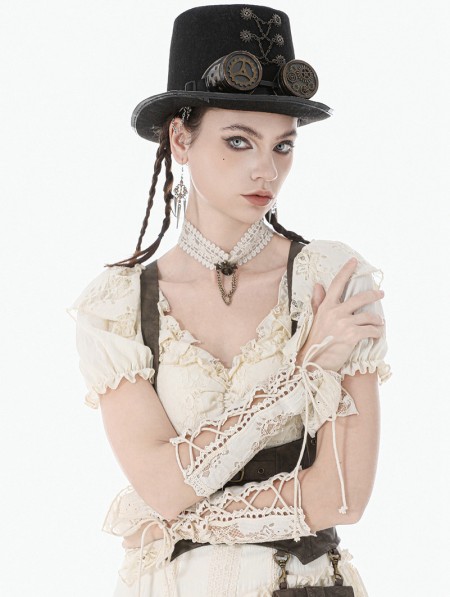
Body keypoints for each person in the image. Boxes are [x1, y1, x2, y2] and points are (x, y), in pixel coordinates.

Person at [67, 4, 392, 596]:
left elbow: (342, 498)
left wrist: (179, 525)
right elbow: (161, 487)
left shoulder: (330, 279)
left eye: (283, 146)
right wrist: (302, 375)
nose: (266, 169)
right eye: (239, 141)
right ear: (180, 138)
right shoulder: (118, 305)